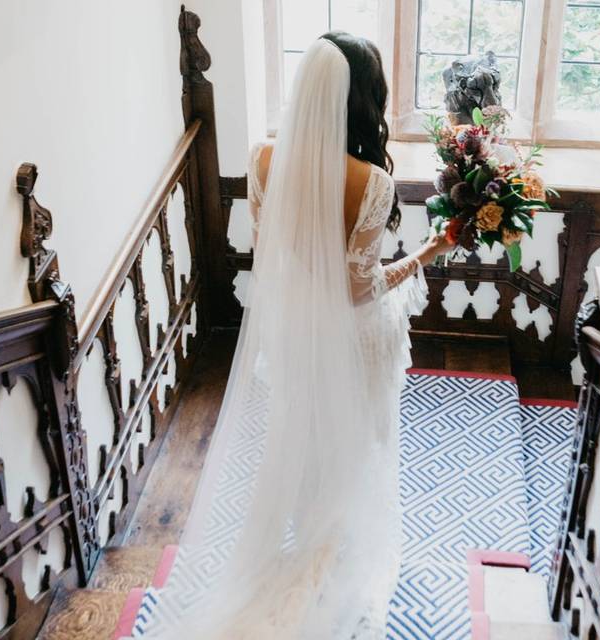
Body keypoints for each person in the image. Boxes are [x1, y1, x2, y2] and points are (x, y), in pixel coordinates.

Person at [141, 32, 453, 639]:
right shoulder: (371, 182)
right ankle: (327, 563)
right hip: (353, 338)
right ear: (362, 98)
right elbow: (359, 291)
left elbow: (273, 251)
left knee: (304, 438)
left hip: (290, 333)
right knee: (353, 448)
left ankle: (308, 539)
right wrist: (428, 252)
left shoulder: (263, 157)